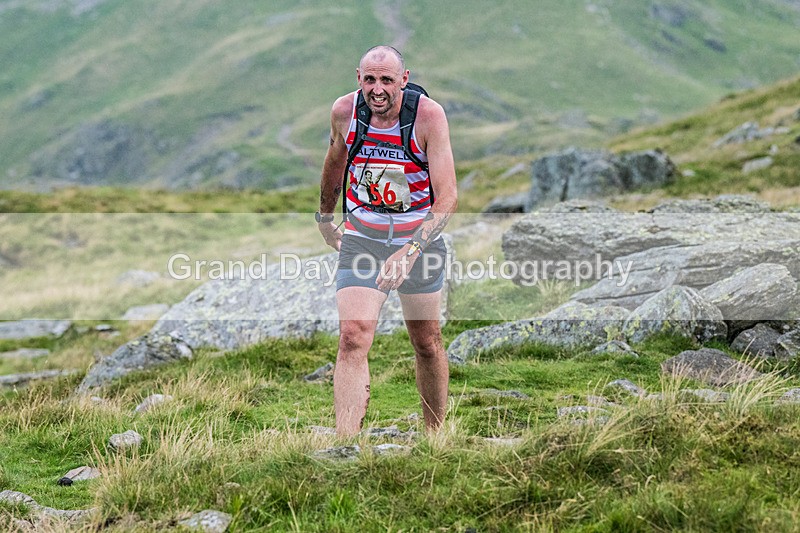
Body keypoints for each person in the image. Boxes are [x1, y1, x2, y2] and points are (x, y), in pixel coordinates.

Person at [317, 45, 457, 436]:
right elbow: (334, 160)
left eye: (387, 81)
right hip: (363, 238)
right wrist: (326, 217)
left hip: (418, 241)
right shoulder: (345, 112)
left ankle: (434, 436)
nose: (377, 90)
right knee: (352, 336)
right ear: (358, 78)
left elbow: (447, 198)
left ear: (405, 80)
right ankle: (346, 445)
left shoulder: (428, 117)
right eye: (369, 80)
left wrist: (411, 250)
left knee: (426, 341)